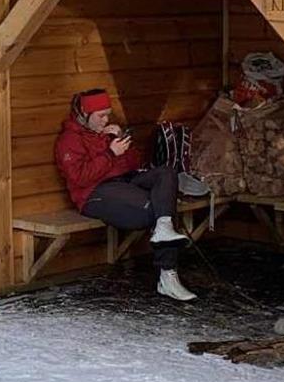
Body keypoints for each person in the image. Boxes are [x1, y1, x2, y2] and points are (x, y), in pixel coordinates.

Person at [54, 88, 196, 301]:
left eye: (107, 114)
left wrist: (121, 141)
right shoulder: (69, 140)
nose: (105, 119)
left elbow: (134, 165)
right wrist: (110, 153)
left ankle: (164, 230)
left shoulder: (106, 133)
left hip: (125, 181)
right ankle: (168, 275)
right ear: (84, 114)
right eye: (100, 115)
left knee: (166, 174)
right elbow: (80, 178)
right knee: (156, 208)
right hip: (95, 193)